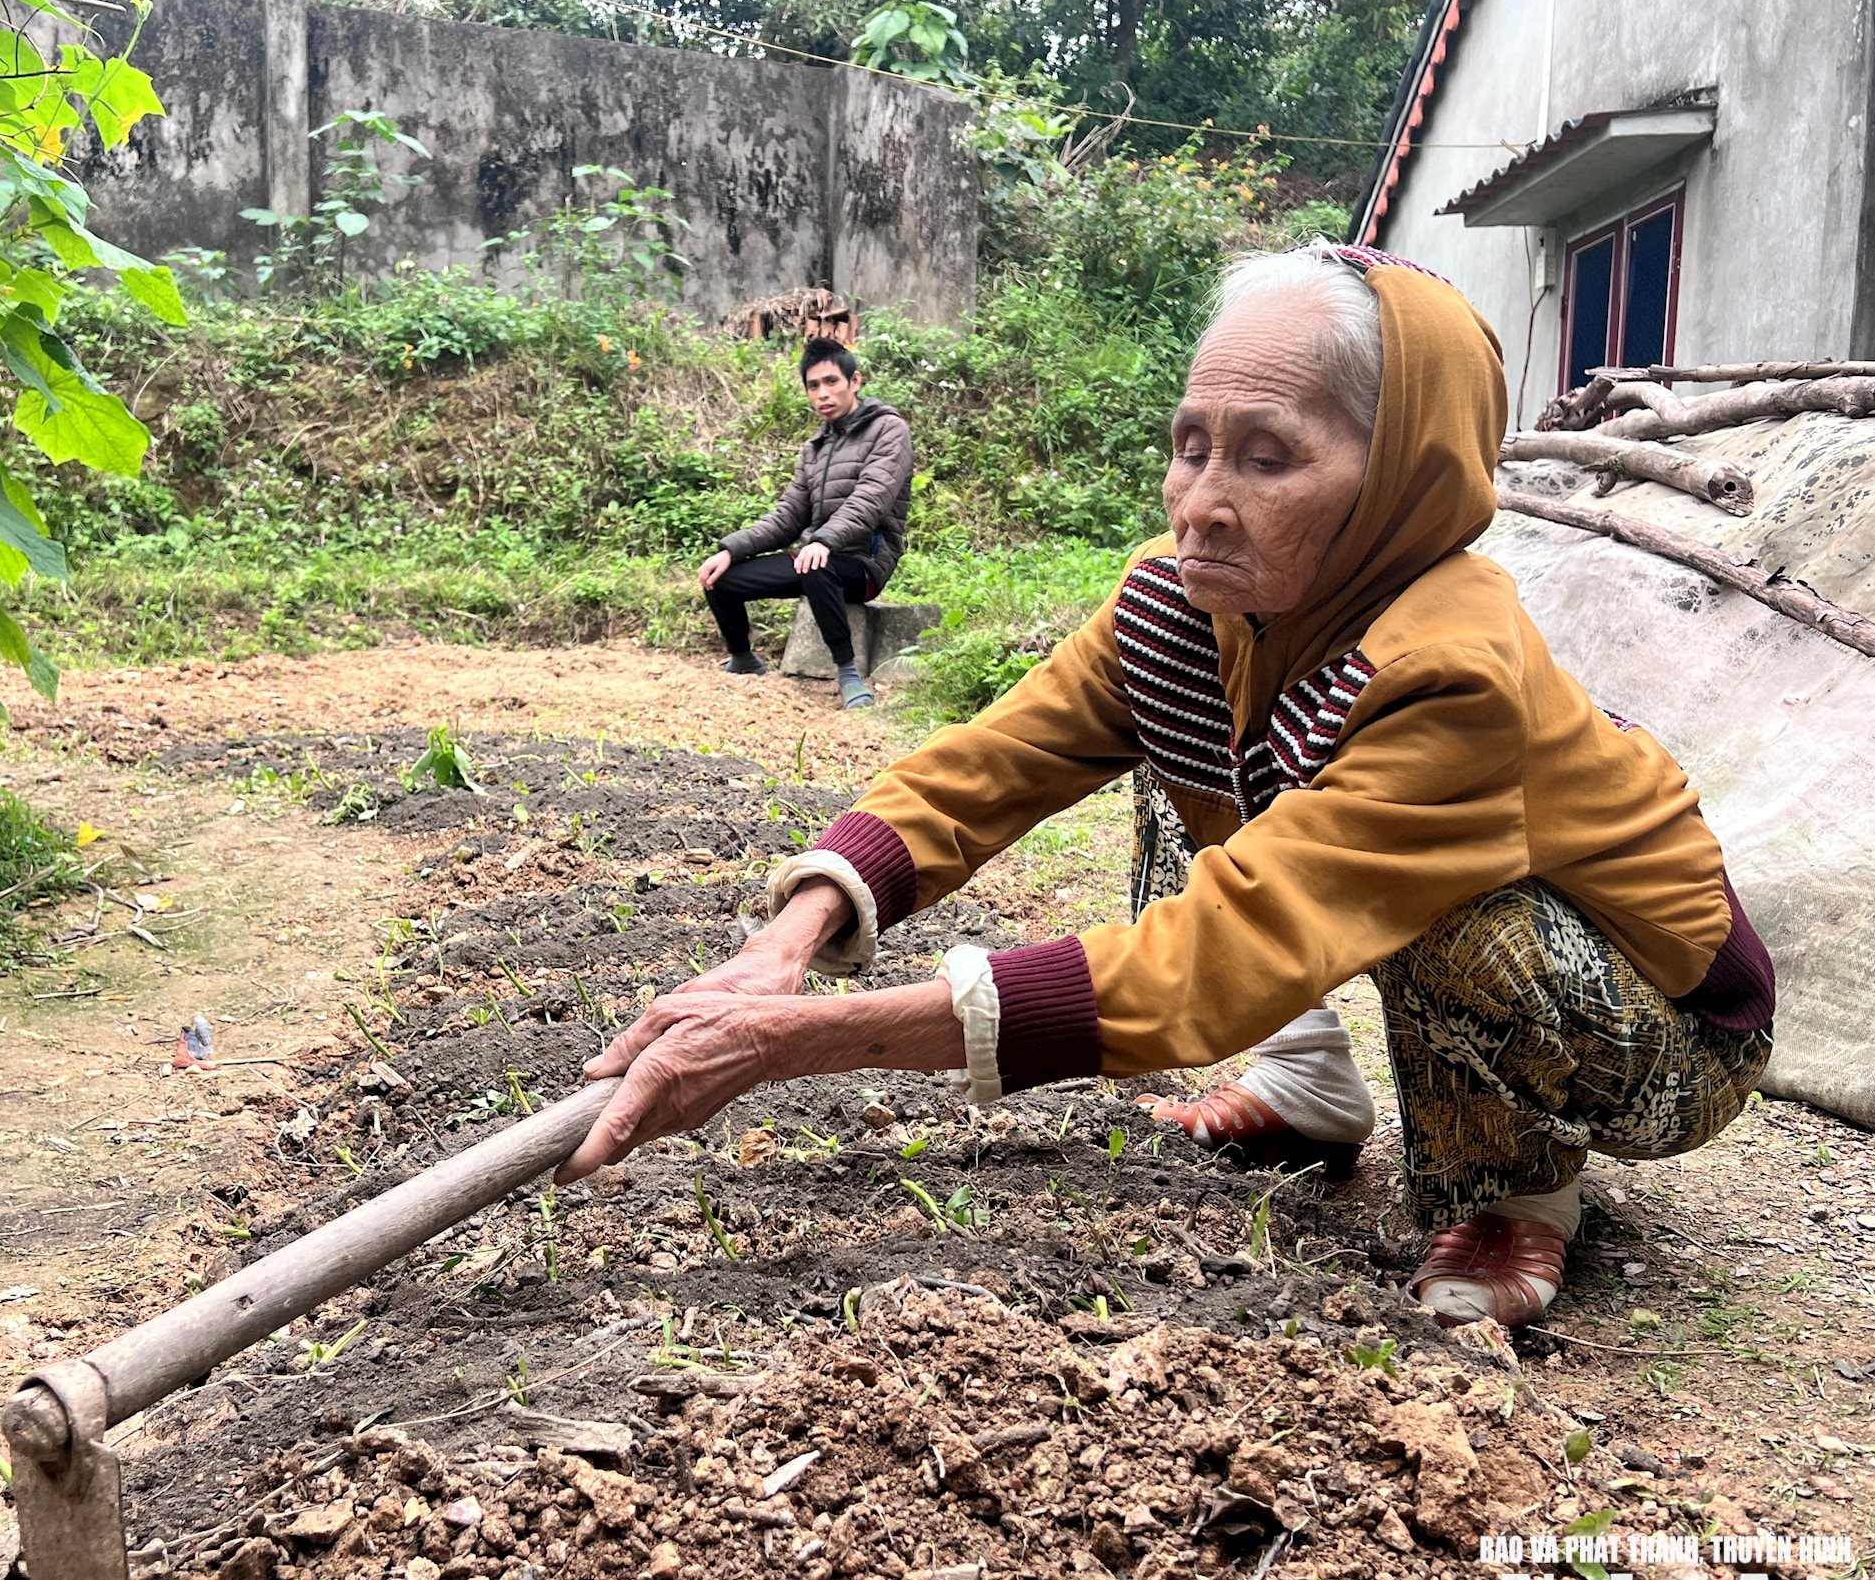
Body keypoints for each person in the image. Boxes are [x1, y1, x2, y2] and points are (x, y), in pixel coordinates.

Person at [565, 244, 1775, 1330]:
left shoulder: (1455, 670)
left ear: (1399, 474)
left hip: (1661, 1031)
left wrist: (788, 1043)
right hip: (1391, 896)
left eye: (1267, 457)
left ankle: (1521, 1185)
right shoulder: (1190, 603)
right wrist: (794, 936)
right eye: (1191, 445)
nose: (1198, 501)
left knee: (1463, 914)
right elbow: (996, 760)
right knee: (1183, 736)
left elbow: (1228, 941)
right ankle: (1306, 1079)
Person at [700, 336, 912, 711]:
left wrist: (825, 541)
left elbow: (871, 500)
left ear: (855, 382)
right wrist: (731, 548)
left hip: (863, 562)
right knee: (721, 577)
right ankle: (743, 658)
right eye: (813, 386)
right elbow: (787, 516)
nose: (822, 394)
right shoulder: (814, 449)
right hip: (815, 556)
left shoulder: (888, 430)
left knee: (818, 564)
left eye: (831, 382)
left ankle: (848, 674)